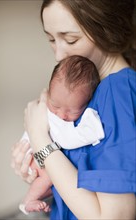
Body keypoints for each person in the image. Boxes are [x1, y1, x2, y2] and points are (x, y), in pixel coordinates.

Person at [11, 0, 136, 219]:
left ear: (105, 29)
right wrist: (42, 167)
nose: (59, 55)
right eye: (50, 39)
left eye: (71, 39)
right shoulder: (88, 94)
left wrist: (39, 137)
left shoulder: (117, 93)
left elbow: (114, 216)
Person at [19, 55, 105, 215]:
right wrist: (92, 128)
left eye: (72, 111)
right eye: (55, 105)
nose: (61, 115)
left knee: (52, 180)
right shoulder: (51, 117)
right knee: (49, 177)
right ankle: (28, 201)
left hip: (33, 152)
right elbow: (70, 139)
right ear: (48, 93)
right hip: (31, 154)